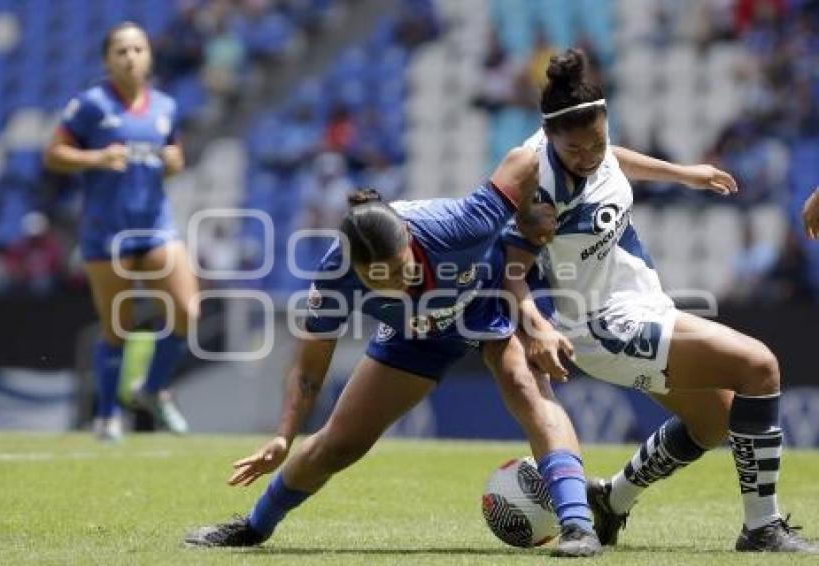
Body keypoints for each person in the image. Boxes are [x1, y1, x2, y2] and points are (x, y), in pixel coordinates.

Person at [184, 146, 603, 557]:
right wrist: (282, 435)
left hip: (494, 299)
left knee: (524, 384)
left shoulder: (459, 224)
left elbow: (525, 159)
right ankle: (253, 527)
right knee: (340, 444)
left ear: (408, 237)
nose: (399, 285)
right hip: (418, 330)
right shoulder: (334, 277)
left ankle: (578, 527)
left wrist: (535, 210)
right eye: (379, 281)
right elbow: (308, 370)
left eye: (403, 270)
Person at [503, 49, 817, 553]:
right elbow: (511, 272)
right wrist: (536, 325)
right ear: (550, 139)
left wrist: (684, 173)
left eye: (597, 142)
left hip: (643, 305)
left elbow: (612, 160)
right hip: (604, 326)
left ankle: (611, 500)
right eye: (575, 149)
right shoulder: (537, 188)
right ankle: (762, 528)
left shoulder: (591, 147)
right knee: (760, 367)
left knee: (713, 421)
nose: (588, 156)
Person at [44, 22, 198, 441]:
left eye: (138, 49)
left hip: (155, 226)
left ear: (149, 55)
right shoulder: (91, 105)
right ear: (107, 60)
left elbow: (175, 156)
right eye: (121, 51)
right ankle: (108, 415)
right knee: (118, 325)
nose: (131, 58)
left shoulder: (165, 106)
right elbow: (54, 154)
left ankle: (151, 390)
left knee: (188, 310)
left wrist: (173, 161)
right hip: (106, 229)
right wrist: (94, 158)